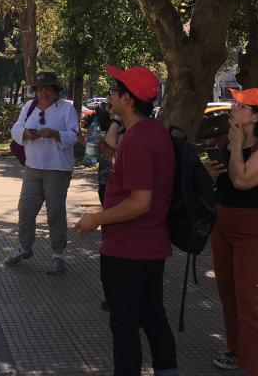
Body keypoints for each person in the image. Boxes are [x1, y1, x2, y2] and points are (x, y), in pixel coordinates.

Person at [74, 66, 177, 376]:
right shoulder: (154, 131)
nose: (110, 96)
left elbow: (140, 202)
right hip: (152, 247)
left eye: (114, 91)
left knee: (125, 326)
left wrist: (96, 218)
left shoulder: (137, 142)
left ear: (128, 99)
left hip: (128, 250)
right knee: (153, 317)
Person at [204, 88, 258, 376]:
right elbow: (223, 184)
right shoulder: (226, 141)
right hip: (224, 222)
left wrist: (237, 146)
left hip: (256, 229)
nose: (232, 108)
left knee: (252, 298)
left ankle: (255, 366)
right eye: (233, 103)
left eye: (240, 105)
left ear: (256, 116)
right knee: (228, 293)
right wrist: (210, 174)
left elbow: (242, 181)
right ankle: (235, 350)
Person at [7, 72, 80, 275]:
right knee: (25, 209)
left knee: (55, 212)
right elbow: (15, 129)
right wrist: (25, 134)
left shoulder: (66, 108)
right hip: (33, 167)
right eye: (40, 89)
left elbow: (74, 136)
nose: (44, 93)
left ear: (56, 91)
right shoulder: (28, 107)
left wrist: (54, 134)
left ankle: (58, 255)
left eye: (48, 89)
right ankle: (24, 248)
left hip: (57, 169)